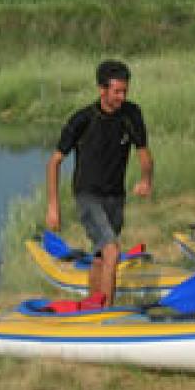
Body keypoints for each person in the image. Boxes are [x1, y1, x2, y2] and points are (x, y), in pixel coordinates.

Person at [45, 60, 153, 307]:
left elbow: (144, 152)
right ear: (101, 90)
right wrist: (53, 206)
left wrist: (146, 180)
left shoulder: (132, 114)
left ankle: (91, 308)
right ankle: (105, 318)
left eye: (125, 91)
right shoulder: (81, 120)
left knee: (101, 257)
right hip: (87, 195)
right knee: (113, 251)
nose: (122, 97)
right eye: (117, 91)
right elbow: (54, 162)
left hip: (115, 196)